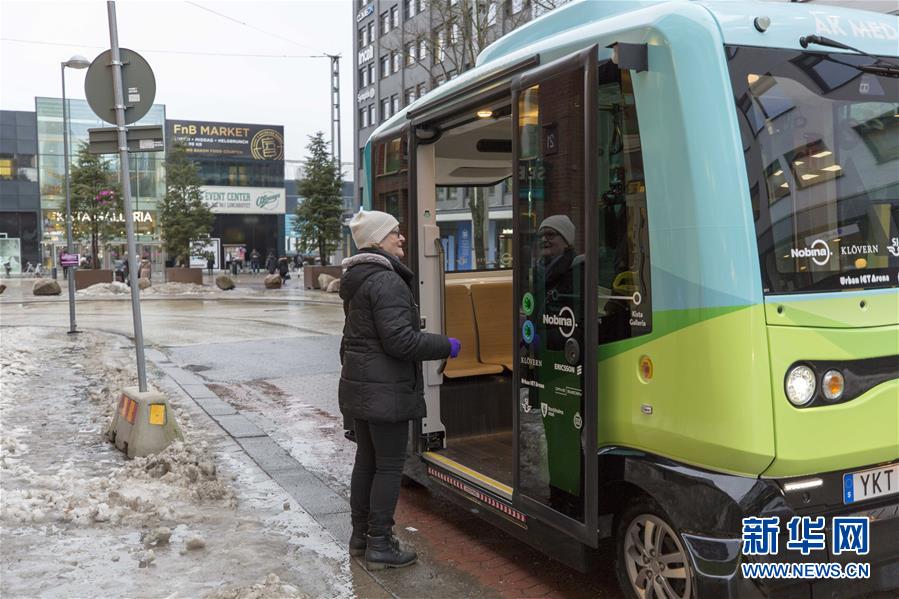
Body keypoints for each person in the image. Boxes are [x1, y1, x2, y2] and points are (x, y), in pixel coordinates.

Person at [339, 209, 461, 570]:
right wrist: (445, 345)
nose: (402, 237)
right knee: (389, 466)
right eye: (395, 232)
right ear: (378, 241)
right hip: (385, 389)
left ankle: (361, 537)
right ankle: (380, 544)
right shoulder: (386, 280)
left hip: (361, 386)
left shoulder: (358, 279)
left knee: (367, 462)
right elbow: (401, 342)